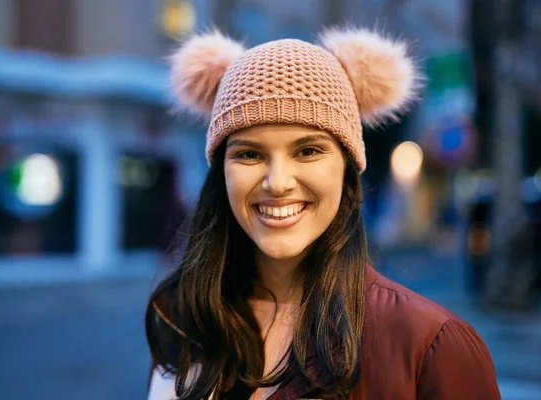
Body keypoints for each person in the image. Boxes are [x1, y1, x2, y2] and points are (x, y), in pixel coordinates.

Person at [145, 27, 501, 399]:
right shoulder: (183, 320)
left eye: (308, 151)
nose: (277, 182)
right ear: (221, 172)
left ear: (347, 169)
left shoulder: (430, 346)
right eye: (249, 154)